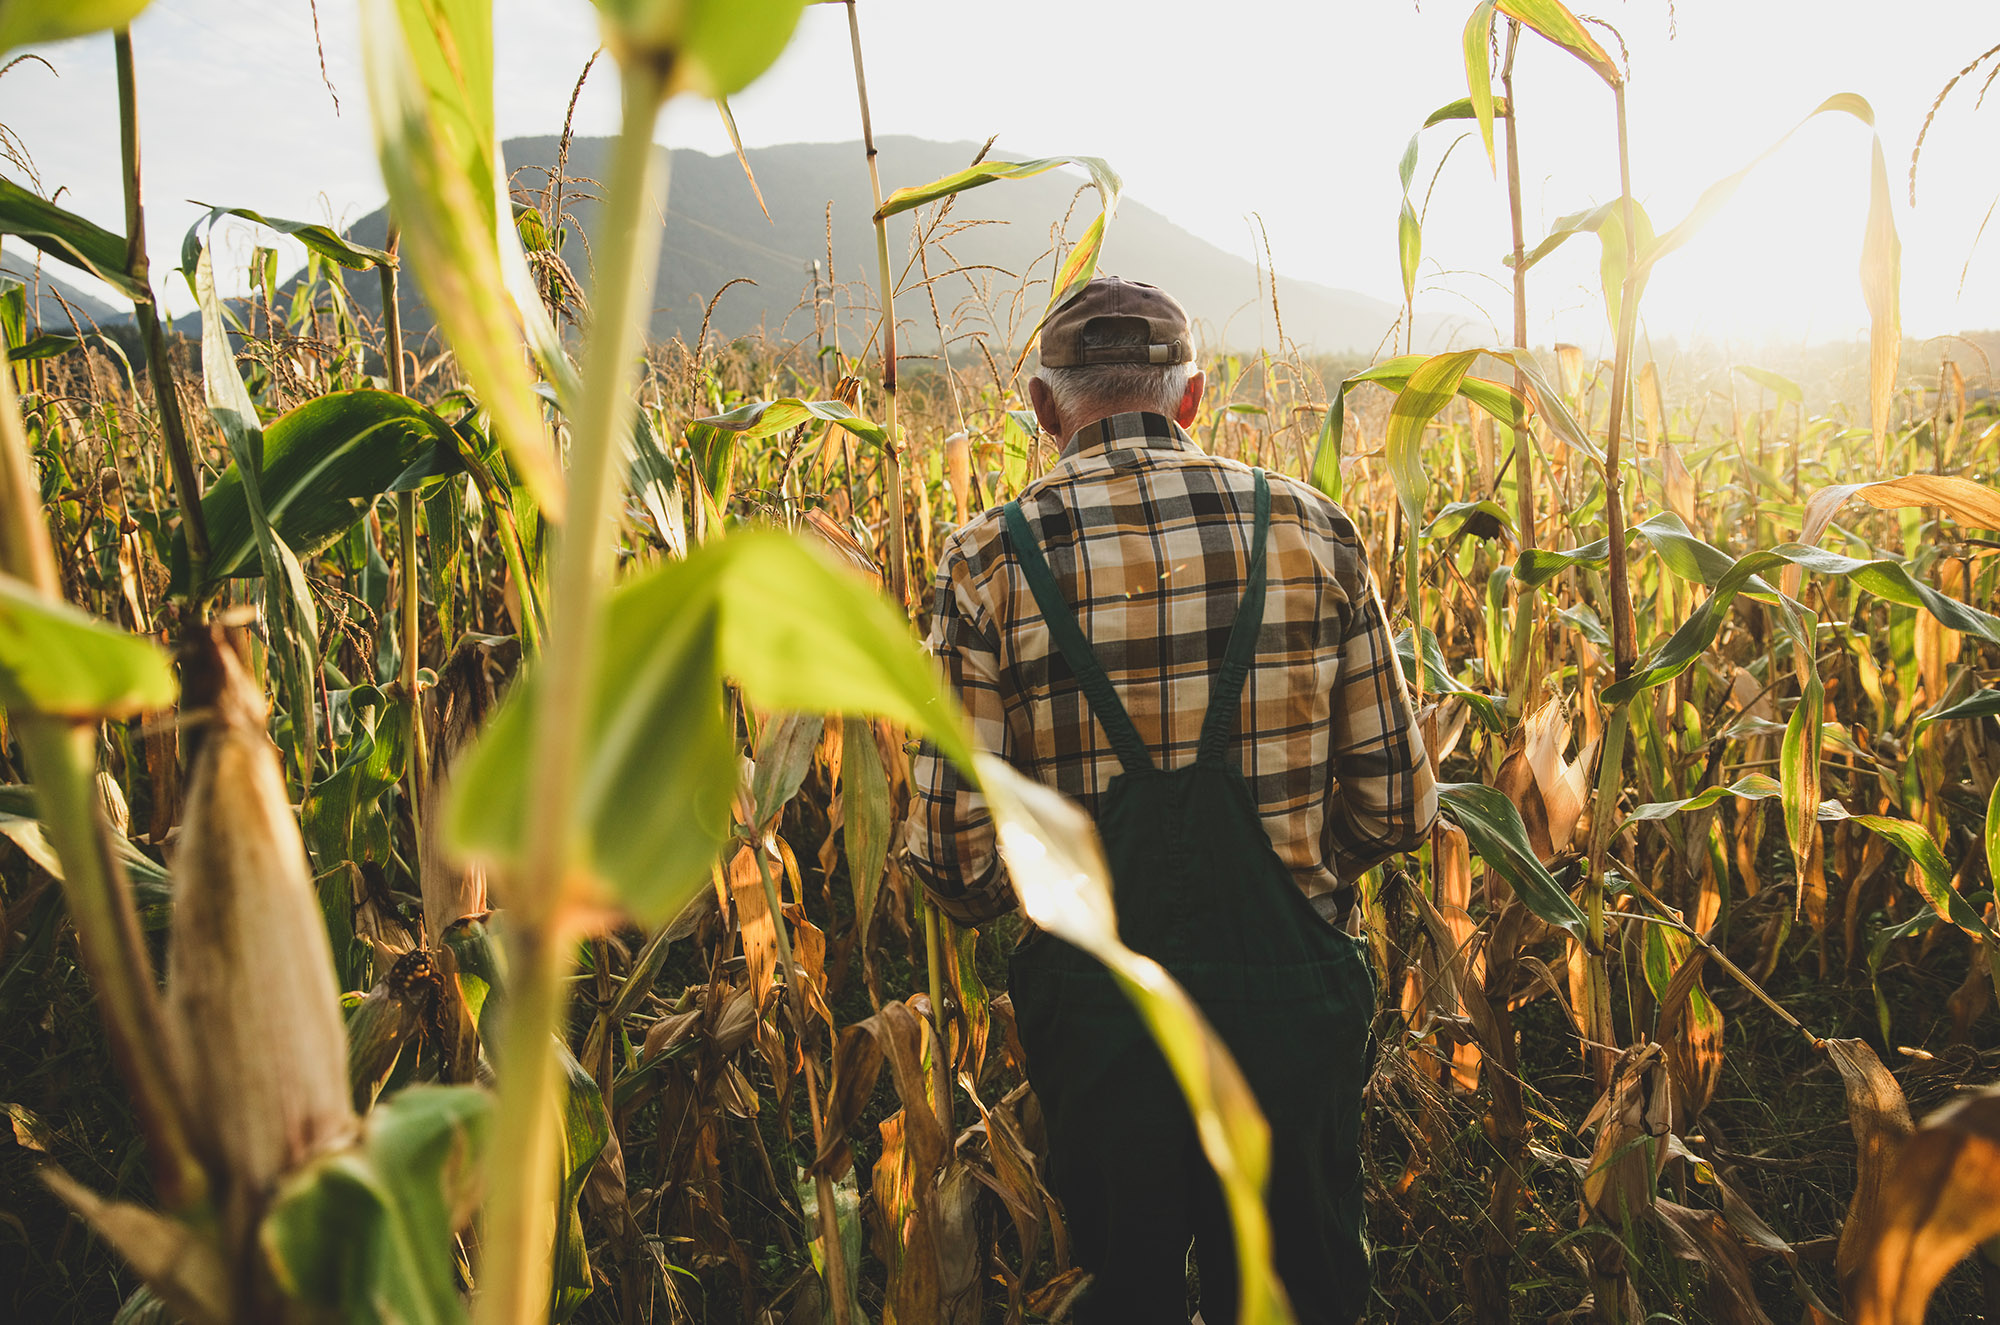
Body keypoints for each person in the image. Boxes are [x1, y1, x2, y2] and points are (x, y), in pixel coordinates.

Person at [905, 274, 1437, 1324]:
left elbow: (957, 865)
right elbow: (1394, 808)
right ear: (1190, 397)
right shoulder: (1311, 528)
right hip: (1288, 1022)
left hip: (1101, 1028)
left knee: (1119, 1293)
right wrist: (1280, 885)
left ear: (1043, 404)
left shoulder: (985, 564)